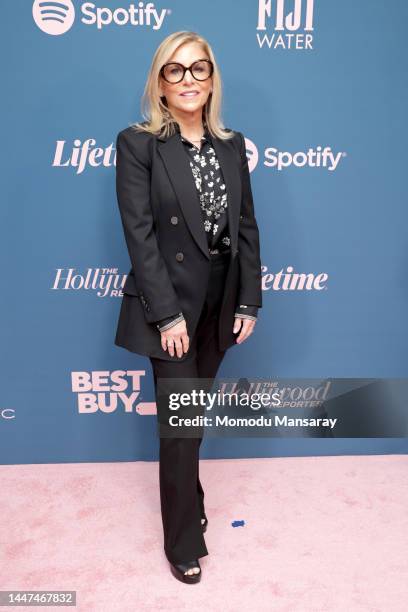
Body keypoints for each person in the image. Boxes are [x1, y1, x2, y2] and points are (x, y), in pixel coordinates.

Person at [114, 30, 262, 584]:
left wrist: (248, 299)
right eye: (175, 71)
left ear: (211, 77)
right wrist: (166, 313)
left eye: (198, 69)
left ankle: (188, 500)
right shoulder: (138, 143)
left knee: (191, 419)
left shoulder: (230, 144)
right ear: (160, 81)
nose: (188, 80)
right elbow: (140, 234)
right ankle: (182, 540)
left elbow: (245, 227)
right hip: (171, 304)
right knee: (179, 425)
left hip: (221, 301)